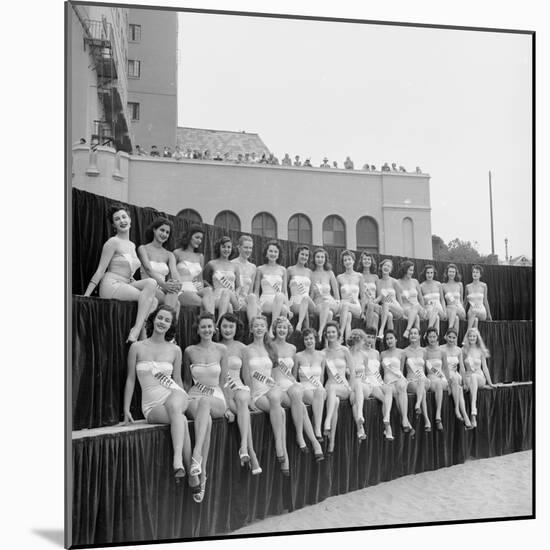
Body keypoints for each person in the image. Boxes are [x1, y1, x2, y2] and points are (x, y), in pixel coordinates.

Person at [122, 305, 201, 496]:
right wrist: (126, 409)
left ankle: (177, 461)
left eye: (167, 320)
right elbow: (131, 378)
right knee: (180, 419)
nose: (162, 322)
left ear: (171, 325)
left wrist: (184, 397)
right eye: (160, 318)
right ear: (153, 319)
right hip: (152, 405)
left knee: (176, 407)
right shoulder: (137, 347)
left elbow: (178, 380)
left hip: (174, 394)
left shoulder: (175, 350)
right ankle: (191, 471)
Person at [83, 204, 158, 343]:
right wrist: (86, 295)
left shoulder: (132, 245)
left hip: (125, 283)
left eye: (124, 217)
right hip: (112, 284)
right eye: (117, 219)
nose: (122, 221)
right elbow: (100, 270)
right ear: (114, 225)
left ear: (130, 220)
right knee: (151, 301)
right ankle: (139, 334)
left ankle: (138, 331)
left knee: (152, 287)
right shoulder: (112, 242)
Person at [183, 313, 232, 502]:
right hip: (194, 397)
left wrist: (228, 407)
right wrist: (184, 400)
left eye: (210, 327)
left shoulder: (221, 350)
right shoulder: (189, 351)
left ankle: (196, 455)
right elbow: (187, 382)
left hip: (215, 397)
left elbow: (224, 382)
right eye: (203, 327)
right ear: (198, 330)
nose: (207, 330)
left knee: (205, 403)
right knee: (206, 419)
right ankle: (202, 474)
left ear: (214, 329)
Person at [242, 316, 290, 475]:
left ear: (266, 328)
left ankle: (278, 446)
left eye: (262, 325)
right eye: (256, 326)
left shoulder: (271, 348)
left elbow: (275, 374)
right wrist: (250, 398)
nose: (259, 328)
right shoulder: (246, 350)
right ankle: (284, 457)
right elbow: (247, 377)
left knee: (276, 397)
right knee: (281, 412)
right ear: (251, 329)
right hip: (257, 391)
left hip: (272, 388)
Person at [271, 317, 324, 459]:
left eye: (284, 327)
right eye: (279, 327)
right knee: (300, 405)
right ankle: (312, 441)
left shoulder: (292, 348)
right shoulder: (269, 346)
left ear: (288, 330)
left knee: (296, 393)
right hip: (275, 384)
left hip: (289, 384)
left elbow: (292, 373)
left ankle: (302, 437)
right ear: (275, 329)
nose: (282, 330)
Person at [218, 313, 262, 474]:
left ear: (236, 328)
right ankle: (251, 453)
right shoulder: (215, 346)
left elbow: (247, 377)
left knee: (243, 399)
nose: (228, 330)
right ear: (219, 327)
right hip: (222, 390)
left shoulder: (242, 347)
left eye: (231, 326)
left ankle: (244, 447)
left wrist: (251, 398)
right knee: (243, 411)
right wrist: (226, 408)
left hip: (238, 387)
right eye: (225, 326)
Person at [137, 217, 181, 312]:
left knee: (174, 294)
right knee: (175, 304)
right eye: (162, 230)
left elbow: (174, 272)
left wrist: (177, 283)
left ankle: (166, 322)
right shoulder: (143, 248)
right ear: (154, 229)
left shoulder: (170, 254)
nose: (164, 234)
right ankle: (168, 321)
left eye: (167, 232)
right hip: (148, 285)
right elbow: (148, 269)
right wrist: (164, 284)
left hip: (164, 287)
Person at [322, 322, 353, 455]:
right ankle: (332, 442)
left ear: (338, 333)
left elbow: (352, 371)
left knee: (334, 391)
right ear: (325, 334)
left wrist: (352, 389)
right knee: (334, 401)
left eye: (333, 332)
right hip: (329, 386)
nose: (331, 334)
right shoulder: (323, 353)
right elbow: (322, 375)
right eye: (328, 332)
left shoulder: (345, 350)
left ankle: (327, 421)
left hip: (343, 387)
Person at [173, 225, 215, 314]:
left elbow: (200, 280)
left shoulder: (200, 256)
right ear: (189, 236)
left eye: (201, 239)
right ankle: (211, 322)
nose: (199, 241)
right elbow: (171, 275)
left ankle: (211, 323)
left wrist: (201, 288)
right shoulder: (177, 253)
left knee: (208, 290)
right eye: (197, 237)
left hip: (196, 289)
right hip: (182, 290)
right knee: (204, 303)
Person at [294, 328, 327, 441]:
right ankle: (317, 430)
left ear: (315, 339)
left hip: (318, 388)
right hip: (304, 388)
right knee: (316, 401)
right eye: (306, 339)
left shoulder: (322, 355)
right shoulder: (298, 356)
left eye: (311, 338)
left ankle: (316, 428)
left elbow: (322, 376)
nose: (309, 341)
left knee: (319, 391)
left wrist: (321, 388)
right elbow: (294, 378)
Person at [380, 330, 414, 436]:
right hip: (388, 380)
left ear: (396, 339)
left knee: (401, 387)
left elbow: (401, 368)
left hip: (398, 378)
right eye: (387, 339)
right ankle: (407, 422)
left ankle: (404, 419)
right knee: (394, 392)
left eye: (391, 338)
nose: (389, 340)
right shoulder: (382, 354)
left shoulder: (401, 352)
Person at [363, 327, 395, 440]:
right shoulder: (359, 352)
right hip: (367, 382)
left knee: (389, 389)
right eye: (368, 336)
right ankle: (387, 426)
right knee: (383, 397)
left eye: (372, 337)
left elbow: (378, 372)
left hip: (377, 381)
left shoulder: (376, 353)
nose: (370, 339)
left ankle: (386, 417)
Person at [254, 240, 290, 337]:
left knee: (284, 307)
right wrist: (257, 305)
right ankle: (272, 330)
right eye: (270, 251)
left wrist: (288, 308)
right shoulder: (260, 269)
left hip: (279, 299)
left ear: (278, 254)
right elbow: (256, 291)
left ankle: (279, 336)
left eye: (275, 252)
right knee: (281, 306)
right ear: (266, 253)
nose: (273, 254)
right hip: (265, 301)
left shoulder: (283, 270)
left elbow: (284, 291)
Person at [462, 328, 497, 427]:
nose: (472, 338)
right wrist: (464, 382)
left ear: (477, 338)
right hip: (468, 378)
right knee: (472, 378)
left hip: (480, 377)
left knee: (474, 376)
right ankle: (473, 415)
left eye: (474, 336)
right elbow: (462, 368)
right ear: (467, 337)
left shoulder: (480, 350)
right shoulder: (464, 350)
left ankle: (473, 412)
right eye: (470, 336)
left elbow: (485, 368)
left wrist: (490, 383)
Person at [440, 328, 473, 429]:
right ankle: (462, 414)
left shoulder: (459, 350)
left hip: (455, 373)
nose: (451, 339)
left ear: (456, 338)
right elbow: (439, 367)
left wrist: (465, 382)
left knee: (457, 382)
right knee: (457, 386)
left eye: (453, 338)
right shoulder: (441, 349)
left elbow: (462, 367)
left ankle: (460, 412)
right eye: (449, 337)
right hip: (443, 374)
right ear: (446, 336)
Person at [203, 236, 241, 324]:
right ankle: (220, 326)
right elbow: (204, 280)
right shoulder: (211, 264)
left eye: (229, 247)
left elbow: (239, 286)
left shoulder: (235, 266)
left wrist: (237, 293)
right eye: (223, 247)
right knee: (228, 306)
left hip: (232, 296)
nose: (226, 249)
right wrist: (210, 287)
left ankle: (218, 322)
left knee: (226, 292)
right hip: (217, 296)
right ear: (219, 248)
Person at [401, 326, 431, 432]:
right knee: (421, 388)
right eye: (411, 334)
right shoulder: (404, 352)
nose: (413, 335)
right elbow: (400, 371)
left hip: (423, 379)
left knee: (422, 380)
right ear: (409, 337)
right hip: (411, 381)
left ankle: (418, 404)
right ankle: (427, 420)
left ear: (419, 336)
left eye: (415, 333)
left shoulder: (424, 351)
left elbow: (427, 368)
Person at [311, 248, 340, 343]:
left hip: (331, 302)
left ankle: (320, 332)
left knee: (327, 304)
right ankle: (327, 343)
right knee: (329, 314)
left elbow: (336, 293)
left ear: (325, 259)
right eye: (318, 257)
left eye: (322, 257)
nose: (320, 259)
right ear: (314, 259)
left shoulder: (330, 273)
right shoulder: (311, 274)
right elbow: (311, 294)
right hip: (318, 303)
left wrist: (337, 303)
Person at [424, 327, 451, 431]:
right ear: (427, 337)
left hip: (441, 378)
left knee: (440, 384)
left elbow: (445, 368)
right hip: (430, 378)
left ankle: (438, 415)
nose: (432, 339)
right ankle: (438, 418)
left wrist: (448, 381)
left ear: (437, 337)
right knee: (437, 384)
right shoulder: (424, 351)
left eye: (434, 336)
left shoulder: (442, 352)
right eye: (430, 336)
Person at [347, 329, 371, 441]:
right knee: (354, 398)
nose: (364, 343)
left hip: (364, 386)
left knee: (358, 384)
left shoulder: (365, 355)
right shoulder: (346, 354)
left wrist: (365, 381)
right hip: (350, 386)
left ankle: (360, 414)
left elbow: (367, 373)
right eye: (363, 341)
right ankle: (360, 429)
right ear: (358, 340)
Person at [231, 235, 261, 325]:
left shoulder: (253, 267)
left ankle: (252, 327)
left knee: (252, 297)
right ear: (239, 248)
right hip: (235, 298)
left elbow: (251, 291)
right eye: (246, 247)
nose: (248, 250)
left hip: (247, 299)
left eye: (250, 248)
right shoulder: (232, 263)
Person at [337, 250, 365, 343]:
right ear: (343, 263)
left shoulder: (359, 276)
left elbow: (363, 296)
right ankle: (348, 343)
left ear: (353, 261)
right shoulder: (339, 277)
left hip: (356, 306)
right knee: (348, 315)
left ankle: (340, 334)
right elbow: (337, 296)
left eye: (349, 259)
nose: (347, 262)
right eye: (345, 260)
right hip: (343, 304)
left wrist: (363, 312)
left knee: (346, 306)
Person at [287, 246, 315, 333]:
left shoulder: (310, 272)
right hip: (295, 301)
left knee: (306, 299)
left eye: (306, 255)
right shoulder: (290, 269)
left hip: (307, 300)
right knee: (304, 311)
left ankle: (300, 327)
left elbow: (312, 291)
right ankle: (305, 333)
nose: (304, 257)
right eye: (302, 254)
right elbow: (284, 289)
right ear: (297, 255)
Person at [397, 260, 426, 339]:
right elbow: (399, 301)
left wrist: (423, 308)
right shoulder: (397, 283)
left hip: (418, 307)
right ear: (405, 269)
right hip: (406, 308)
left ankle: (407, 330)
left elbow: (420, 298)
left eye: (413, 270)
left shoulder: (415, 281)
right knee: (416, 317)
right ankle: (416, 340)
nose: (412, 272)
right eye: (410, 270)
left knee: (416, 306)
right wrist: (402, 312)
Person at [376, 259, 403, 339]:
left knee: (386, 304)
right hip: (386, 308)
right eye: (385, 265)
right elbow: (379, 298)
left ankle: (381, 331)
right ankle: (390, 338)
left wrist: (403, 313)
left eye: (388, 266)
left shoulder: (394, 281)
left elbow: (399, 298)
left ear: (390, 270)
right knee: (389, 315)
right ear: (381, 267)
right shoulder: (378, 282)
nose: (386, 267)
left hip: (396, 308)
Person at [358, 252, 383, 333]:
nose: (367, 261)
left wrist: (373, 301)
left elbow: (380, 296)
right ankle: (369, 334)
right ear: (361, 261)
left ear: (371, 261)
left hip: (373, 304)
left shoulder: (375, 277)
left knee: (375, 315)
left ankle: (371, 341)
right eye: (365, 259)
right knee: (375, 317)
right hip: (363, 304)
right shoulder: (358, 276)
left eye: (369, 259)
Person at [420, 264, 446, 333]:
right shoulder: (421, 286)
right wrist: (424, 311)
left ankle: (428, 331)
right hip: (428, 309)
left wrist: (445, 311)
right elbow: (421, 301)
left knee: (436, 308)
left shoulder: (438, 284)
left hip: (439, 309)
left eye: (431, 273)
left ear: (434, 274)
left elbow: (442, 300)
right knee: (436, 318)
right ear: (425, 274)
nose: (429, 275)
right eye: (428, 273)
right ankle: (435, 339)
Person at [465, 264, 493, 330]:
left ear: (480, 275)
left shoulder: (484, 286)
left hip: (481, 311)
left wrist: (489, 314)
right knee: (475, 319)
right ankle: (474, 335)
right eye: (473, 272)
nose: (475, 274)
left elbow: (485, 301)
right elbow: (465, 302)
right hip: (471, 311)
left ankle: (468, 331)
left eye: (477, 272)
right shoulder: (467, 286)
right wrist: (463, 313)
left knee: (474, 312)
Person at [442, 263, 466, 333]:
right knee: (456, 318)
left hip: (459, 309)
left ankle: (449, 330)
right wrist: (444, 311)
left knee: (455, 309)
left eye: (453, 272)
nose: (451, 273)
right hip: (449, 308)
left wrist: (463, 309)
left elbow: (461, 299)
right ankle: (454, 340)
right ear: (447, 273)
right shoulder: (443, 285)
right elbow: (442, 300)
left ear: (456, 273)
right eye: (450, 271)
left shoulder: (460, 284)